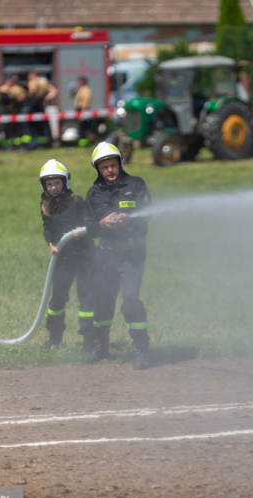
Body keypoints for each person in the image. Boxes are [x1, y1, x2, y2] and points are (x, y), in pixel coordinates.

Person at [83, 142, 152, 369]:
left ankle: (142, 349)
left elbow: (147, 214)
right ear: (98, 169)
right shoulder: (93, 194)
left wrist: (130, 217)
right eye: (105, 167)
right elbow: (89, 226)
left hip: (132, 254)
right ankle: (101, 347)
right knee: (102, 302)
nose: (110, 170)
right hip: (105, 255)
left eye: (113, 165)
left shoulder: (136, 184)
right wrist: (101, 224)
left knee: (131, 300)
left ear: (120, 163)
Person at [37, 159, 95, 351]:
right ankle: (54, 336)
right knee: (57, 298)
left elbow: (90, 223)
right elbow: (48, 229)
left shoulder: (77, 201)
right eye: (49, 184)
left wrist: (82, 230)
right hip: (63, 259)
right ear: (44, 186)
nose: (53, 187)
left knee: (86, 296)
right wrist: (51, 243)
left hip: (83, 256)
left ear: (65, 182)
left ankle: (88, 337)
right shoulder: (45, 204)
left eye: (57, 183)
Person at [26, 71, 58, 148]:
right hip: (41, 105)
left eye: (29, 76)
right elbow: (54, 91)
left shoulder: (32, 82)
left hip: (34, 105)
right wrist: (46, 99)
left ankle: (34, 144)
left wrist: (28, 99)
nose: (28, 78)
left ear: (33, 75)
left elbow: (32, 90)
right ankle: (45, 144)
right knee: (43, 125)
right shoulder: (44, 81)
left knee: (34, 125)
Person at [0, 75, 26, 145]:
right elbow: (4, 100)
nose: (11, 82)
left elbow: (23, 97)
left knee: (11, 129)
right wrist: (15, 99)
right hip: (2, 111)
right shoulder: (3, 89)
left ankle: (11, 145)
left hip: (11, 111)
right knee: (0, 128)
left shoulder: (16, 89)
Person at [73, 76, 93, 143]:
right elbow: (72, 95)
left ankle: (83, 143)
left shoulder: (86, 90)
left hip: (83, 110)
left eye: (79, 81)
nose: (78, 82)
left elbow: (86, 101)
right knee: (80, 127)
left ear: (83, 82)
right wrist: (72, 88)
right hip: (79, 110)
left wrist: (82, 113)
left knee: (83, 128)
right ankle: (82, 142)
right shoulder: (80, 89)